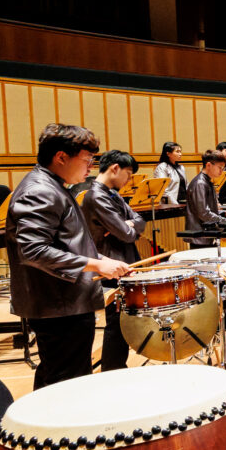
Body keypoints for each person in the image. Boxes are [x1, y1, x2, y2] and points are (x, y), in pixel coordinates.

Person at [8, 124, 130, 388]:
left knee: (58, 378)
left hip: (63, 303)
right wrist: (94, 264)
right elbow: (33, 250)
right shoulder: (40, 190)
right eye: (87, 160)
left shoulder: (53, 186)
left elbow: (64, 241)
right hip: (57, 306)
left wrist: (101, 259)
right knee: (67, 384)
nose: (90, 168)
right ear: (61, 157)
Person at [81, 150, 145, 373]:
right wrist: (128, 227)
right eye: (128, 174)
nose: (129, 180)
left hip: (123, 263)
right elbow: (127, 235)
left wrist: (130, 224)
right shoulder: (96, 197)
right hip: (111, 266)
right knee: (116, 323)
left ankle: (117, 367)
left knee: (122, 321)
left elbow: (140, 220)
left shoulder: (113, 195)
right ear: (115, 168)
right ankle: (112, 369)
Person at [185, 149, 226, 246]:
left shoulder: (207, 181)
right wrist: (225, 221)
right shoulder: (200, 183)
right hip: (200, 236)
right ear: (208, 165)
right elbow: (204, 213)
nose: (222, 171)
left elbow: (208, 209)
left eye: (223, 168)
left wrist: (223, 213)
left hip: (207, 234)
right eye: (220, 167)